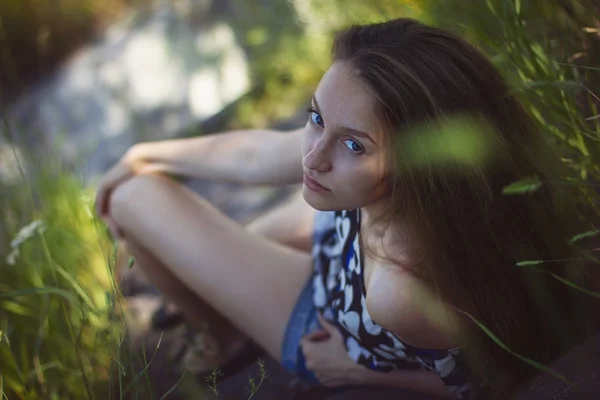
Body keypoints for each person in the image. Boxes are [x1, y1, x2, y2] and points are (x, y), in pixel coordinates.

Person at [96, 18, 595, 399]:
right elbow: (254, 154)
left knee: (134, 199)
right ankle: (211, 289)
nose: (313, 156)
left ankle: (224, 339)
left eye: (354, 145)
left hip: (327, 318)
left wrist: (350, 368)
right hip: (339, 242)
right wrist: (143, 153)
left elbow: (485, 380)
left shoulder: (397, 289)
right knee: (157, 201)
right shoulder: (436, 196)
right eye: (316, 116)